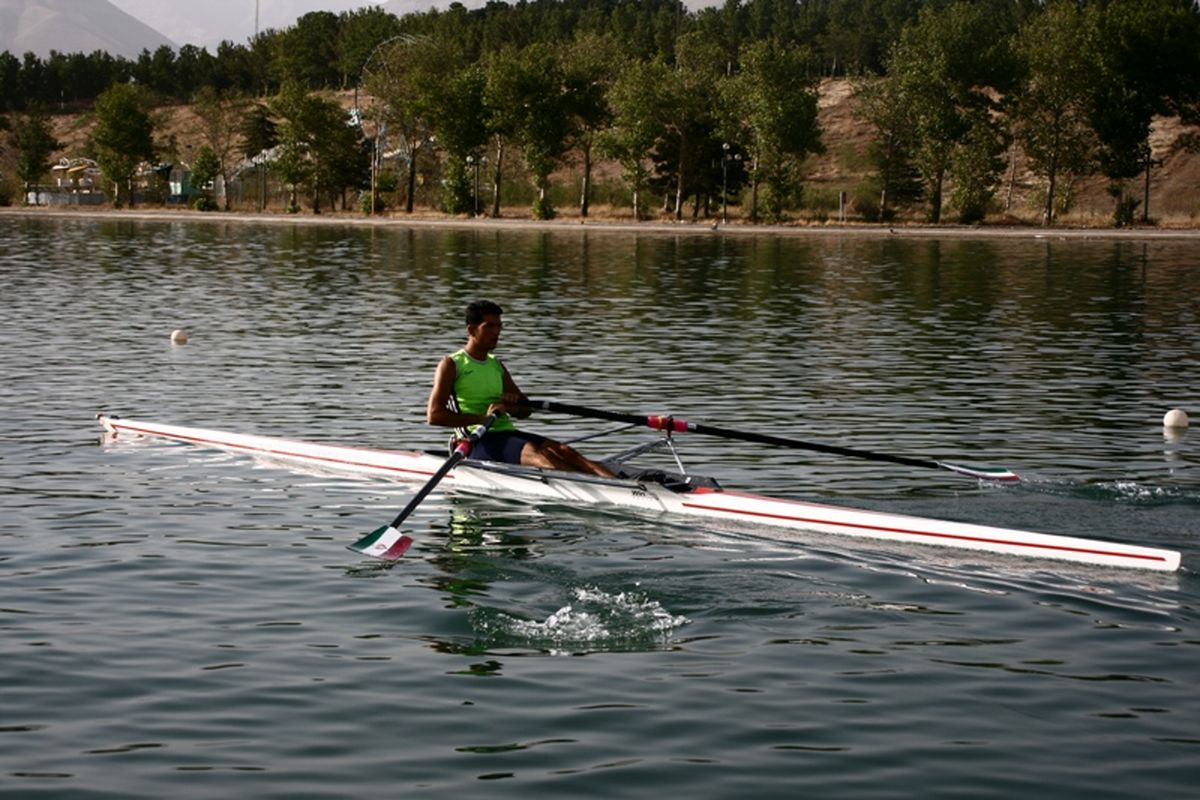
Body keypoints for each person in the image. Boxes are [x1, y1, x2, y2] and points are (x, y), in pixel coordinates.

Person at [426, 300, 616, 477]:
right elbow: (434, 416)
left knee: (564, 451)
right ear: (471, 330)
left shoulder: (496, 365)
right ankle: (597, 488)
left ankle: (618, 483)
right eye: (489, 326)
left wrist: (511, 407)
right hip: (477, 441)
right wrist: (484, 418)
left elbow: (526, 411)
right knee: (539, 455)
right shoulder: (452, 364)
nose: (496, 332)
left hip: (506, 434)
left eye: (499, 326)